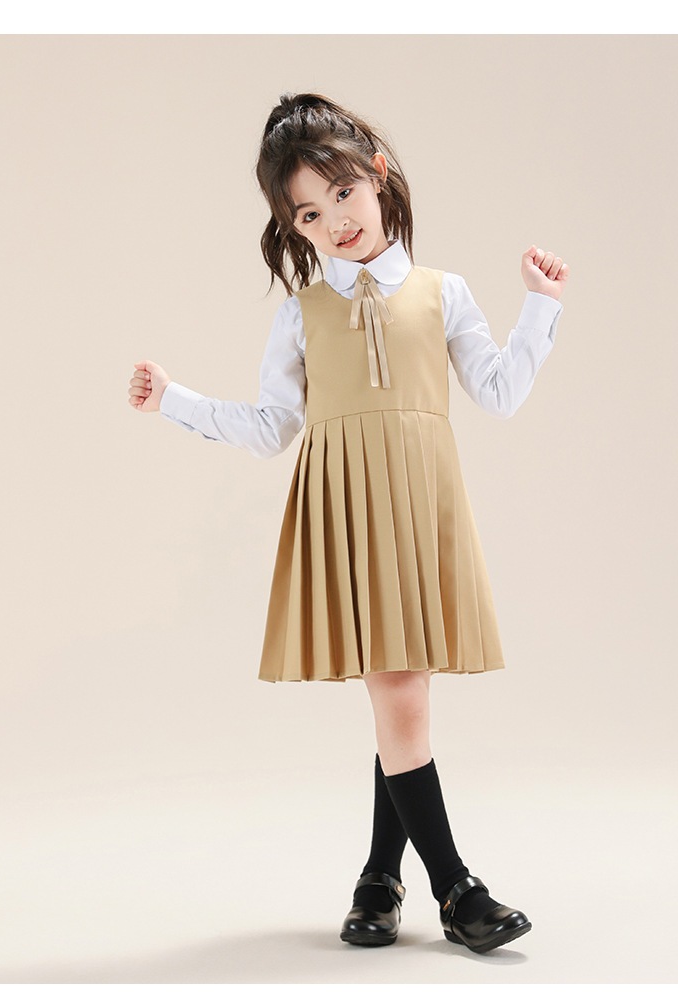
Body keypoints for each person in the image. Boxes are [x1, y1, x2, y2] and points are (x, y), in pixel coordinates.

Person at [127, 92, 569, 955]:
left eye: (342, 193)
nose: (334, 221)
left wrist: (540, 305)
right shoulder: (303, 311)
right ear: (291, 228)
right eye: (308, 214)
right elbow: (271, 428)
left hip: (421, 507)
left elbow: (500, 392)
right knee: (400, 695)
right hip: (349, 514)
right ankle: (458, 891)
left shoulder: (443, 292)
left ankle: (377, 877)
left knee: (400, 703)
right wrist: (173, 399)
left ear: (379, 175)